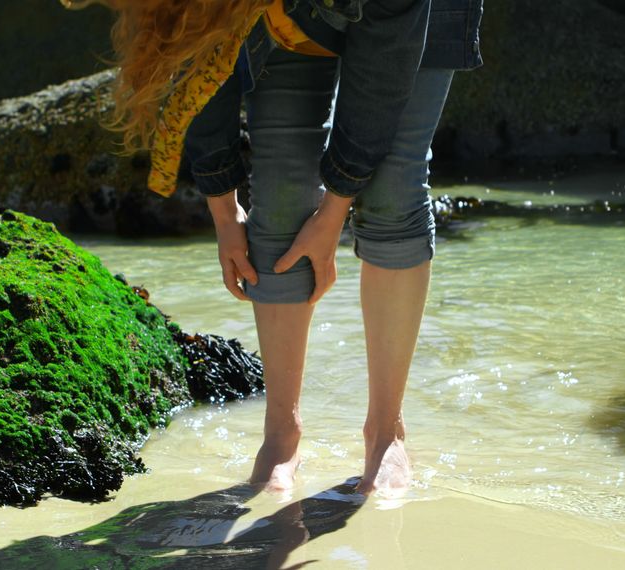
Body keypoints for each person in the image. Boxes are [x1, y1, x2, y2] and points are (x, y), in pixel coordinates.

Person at [74, 0, 483, 496]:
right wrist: (224, 207)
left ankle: (385, 432)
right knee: (282, 193)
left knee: (394, 189)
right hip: (269, 13)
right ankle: (280, 435)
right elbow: (198, 62)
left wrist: (335, 210)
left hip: (407, 14)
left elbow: (382, 68)